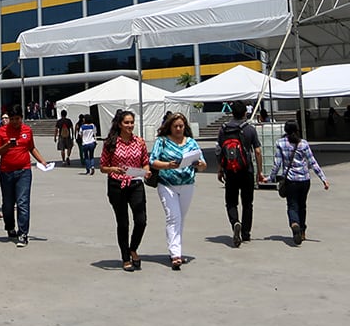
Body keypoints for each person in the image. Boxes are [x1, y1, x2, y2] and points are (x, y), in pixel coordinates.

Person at [151, 112, 204, 270]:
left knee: (181, 218)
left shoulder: (191, 143)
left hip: (187, 184)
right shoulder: (162, 141)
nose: (179, 129)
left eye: (181, 126)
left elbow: (203, 164)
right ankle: (175, 254)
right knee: (173, 217)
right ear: (170, 127)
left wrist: (198, 164)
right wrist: (167, 165)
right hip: (167, 184)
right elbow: (152, 160)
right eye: (176, 126)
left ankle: (176, 249)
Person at [98, 110, 149, 271]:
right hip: (116, 185)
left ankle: (132, 248)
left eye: (132, 122)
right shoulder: (110, 143)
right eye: (126, 122)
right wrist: (113, 169)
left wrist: (146, 171)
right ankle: (125, 257)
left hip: (135, 184)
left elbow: (145, 162)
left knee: (141, 221)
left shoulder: (139, 142)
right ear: (119, 124)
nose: (130, 125)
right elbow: (102, 167)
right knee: (123, 222)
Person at [0, 104, 48, 246]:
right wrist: (7, 146)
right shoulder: (1, 132)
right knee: (8, 204)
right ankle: (10, 227)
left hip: (24, 171)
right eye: (12, 119)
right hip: (6, 172)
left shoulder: (27, 131)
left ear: (22, 118)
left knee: (23, 202)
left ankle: (23, 233)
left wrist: (42, 160)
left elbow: (31, 148)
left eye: (18, 119)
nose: (15, 122)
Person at [271, 120, 328, 245]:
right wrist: (323, 179)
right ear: (297, 129)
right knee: (302, 206)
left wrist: (270, 178)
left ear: (285, 130)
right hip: (305, 181)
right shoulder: (303, 144)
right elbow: (312, 162)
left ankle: (294, 223)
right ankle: (302, 231)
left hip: (291, 181)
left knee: (292, 205)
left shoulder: (281, 143)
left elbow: (277, 164)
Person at [216, 101, 263, 247]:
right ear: (245, 113)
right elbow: (257, 151)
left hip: (230, 171)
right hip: (246, 169)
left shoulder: (223, 129)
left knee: (231, 201)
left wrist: (220, 168)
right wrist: (259, 172)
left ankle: (235, 222)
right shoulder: (249, 129)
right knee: (247, 203)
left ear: (231, 113)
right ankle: (246, 233)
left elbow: (219, 150)